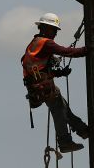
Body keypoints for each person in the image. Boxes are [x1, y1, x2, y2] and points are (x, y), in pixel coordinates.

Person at [21, 12, 88, 153]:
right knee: (59, 111)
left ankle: (82, 129)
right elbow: (65, 51)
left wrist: (59, 73)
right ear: (45, 28)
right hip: (44, 87)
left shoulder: (34, 43)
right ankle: (65, 142)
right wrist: (85, 50)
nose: (55, 33)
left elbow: (38, 69)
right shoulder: (46, 43)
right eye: (54, 30)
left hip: (40, 87)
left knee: (64, 108)